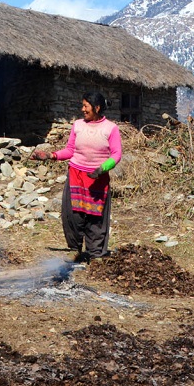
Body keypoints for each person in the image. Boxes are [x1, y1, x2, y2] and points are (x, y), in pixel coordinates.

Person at [32, 92, 122, 262]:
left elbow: (117, 154)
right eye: (82, 106)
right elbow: (70, 150)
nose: (82, 109)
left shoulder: (110, 128)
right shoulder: (78, 125)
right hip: (76, 175)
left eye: (85, 106)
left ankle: (95, 254)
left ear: (97, 108)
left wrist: (103, 168)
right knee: (73, 214)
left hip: (97, 178)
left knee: (95, 216)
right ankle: (74, 248)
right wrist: (51, 155)